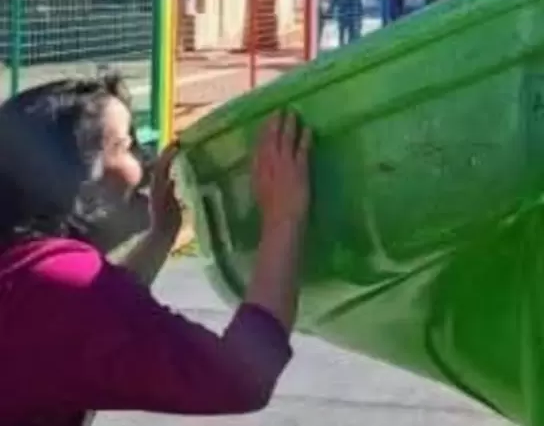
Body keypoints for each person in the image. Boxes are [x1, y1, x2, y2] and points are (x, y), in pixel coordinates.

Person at [0, 73, 311, 425]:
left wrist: (161, 234)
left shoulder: (25, 269)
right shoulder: (59, 285)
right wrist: (283, 219)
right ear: (74, 177)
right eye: (125, 146)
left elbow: (89, 323)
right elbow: (239, 379)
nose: (146, 163)